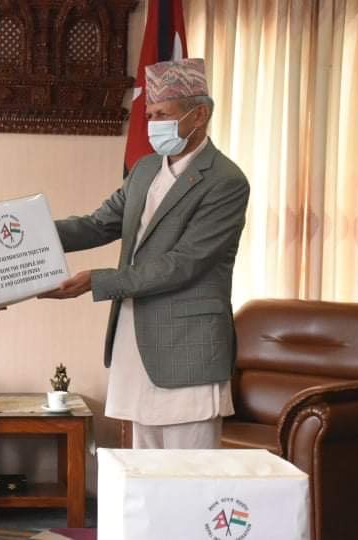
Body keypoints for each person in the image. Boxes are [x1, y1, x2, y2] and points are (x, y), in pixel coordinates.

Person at [42, 58, 250, 450]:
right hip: (136, 338)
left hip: (188, 345)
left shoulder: (226, 181)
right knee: (144, 469)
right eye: (150, 115)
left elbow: (184, 264)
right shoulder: (145, 169)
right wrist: (29, 237)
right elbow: (98, 224)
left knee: (190, 472)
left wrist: (97, 281)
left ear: (199, 114)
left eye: (163, 115)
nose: (153, 124)